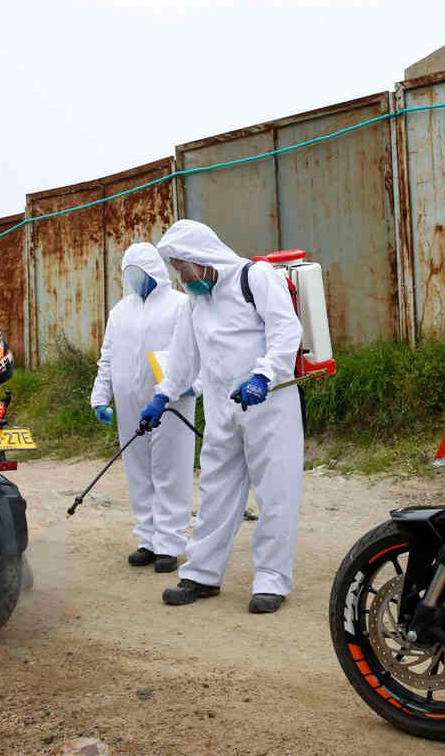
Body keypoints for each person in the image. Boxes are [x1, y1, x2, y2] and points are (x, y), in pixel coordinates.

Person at [138, 219, 303, 614]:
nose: (182, 278)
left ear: (201, 258)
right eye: (176, 270)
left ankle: (271, 581)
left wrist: (263, 374)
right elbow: (181, 358)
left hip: (269, 403)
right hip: (221, 409)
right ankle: (202, 574)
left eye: (183, 268)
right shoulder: (196, 303)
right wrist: (162, 397)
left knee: (275, 492)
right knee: (214, 490)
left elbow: (286, 330)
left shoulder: (255, 277)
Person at [90, 242, 197, 573]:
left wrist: (196, 386)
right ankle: (147, 539)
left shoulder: (181, 305)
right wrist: (99, 397)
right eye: (129, 274)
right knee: (138, 471)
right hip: (129, 402)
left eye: (140, 273)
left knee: (170, 470)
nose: (134, 280)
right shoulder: (120, 311)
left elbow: (199, 352)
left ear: (155, 272)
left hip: (171, 402)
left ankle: (170, 543)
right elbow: (107, 357)